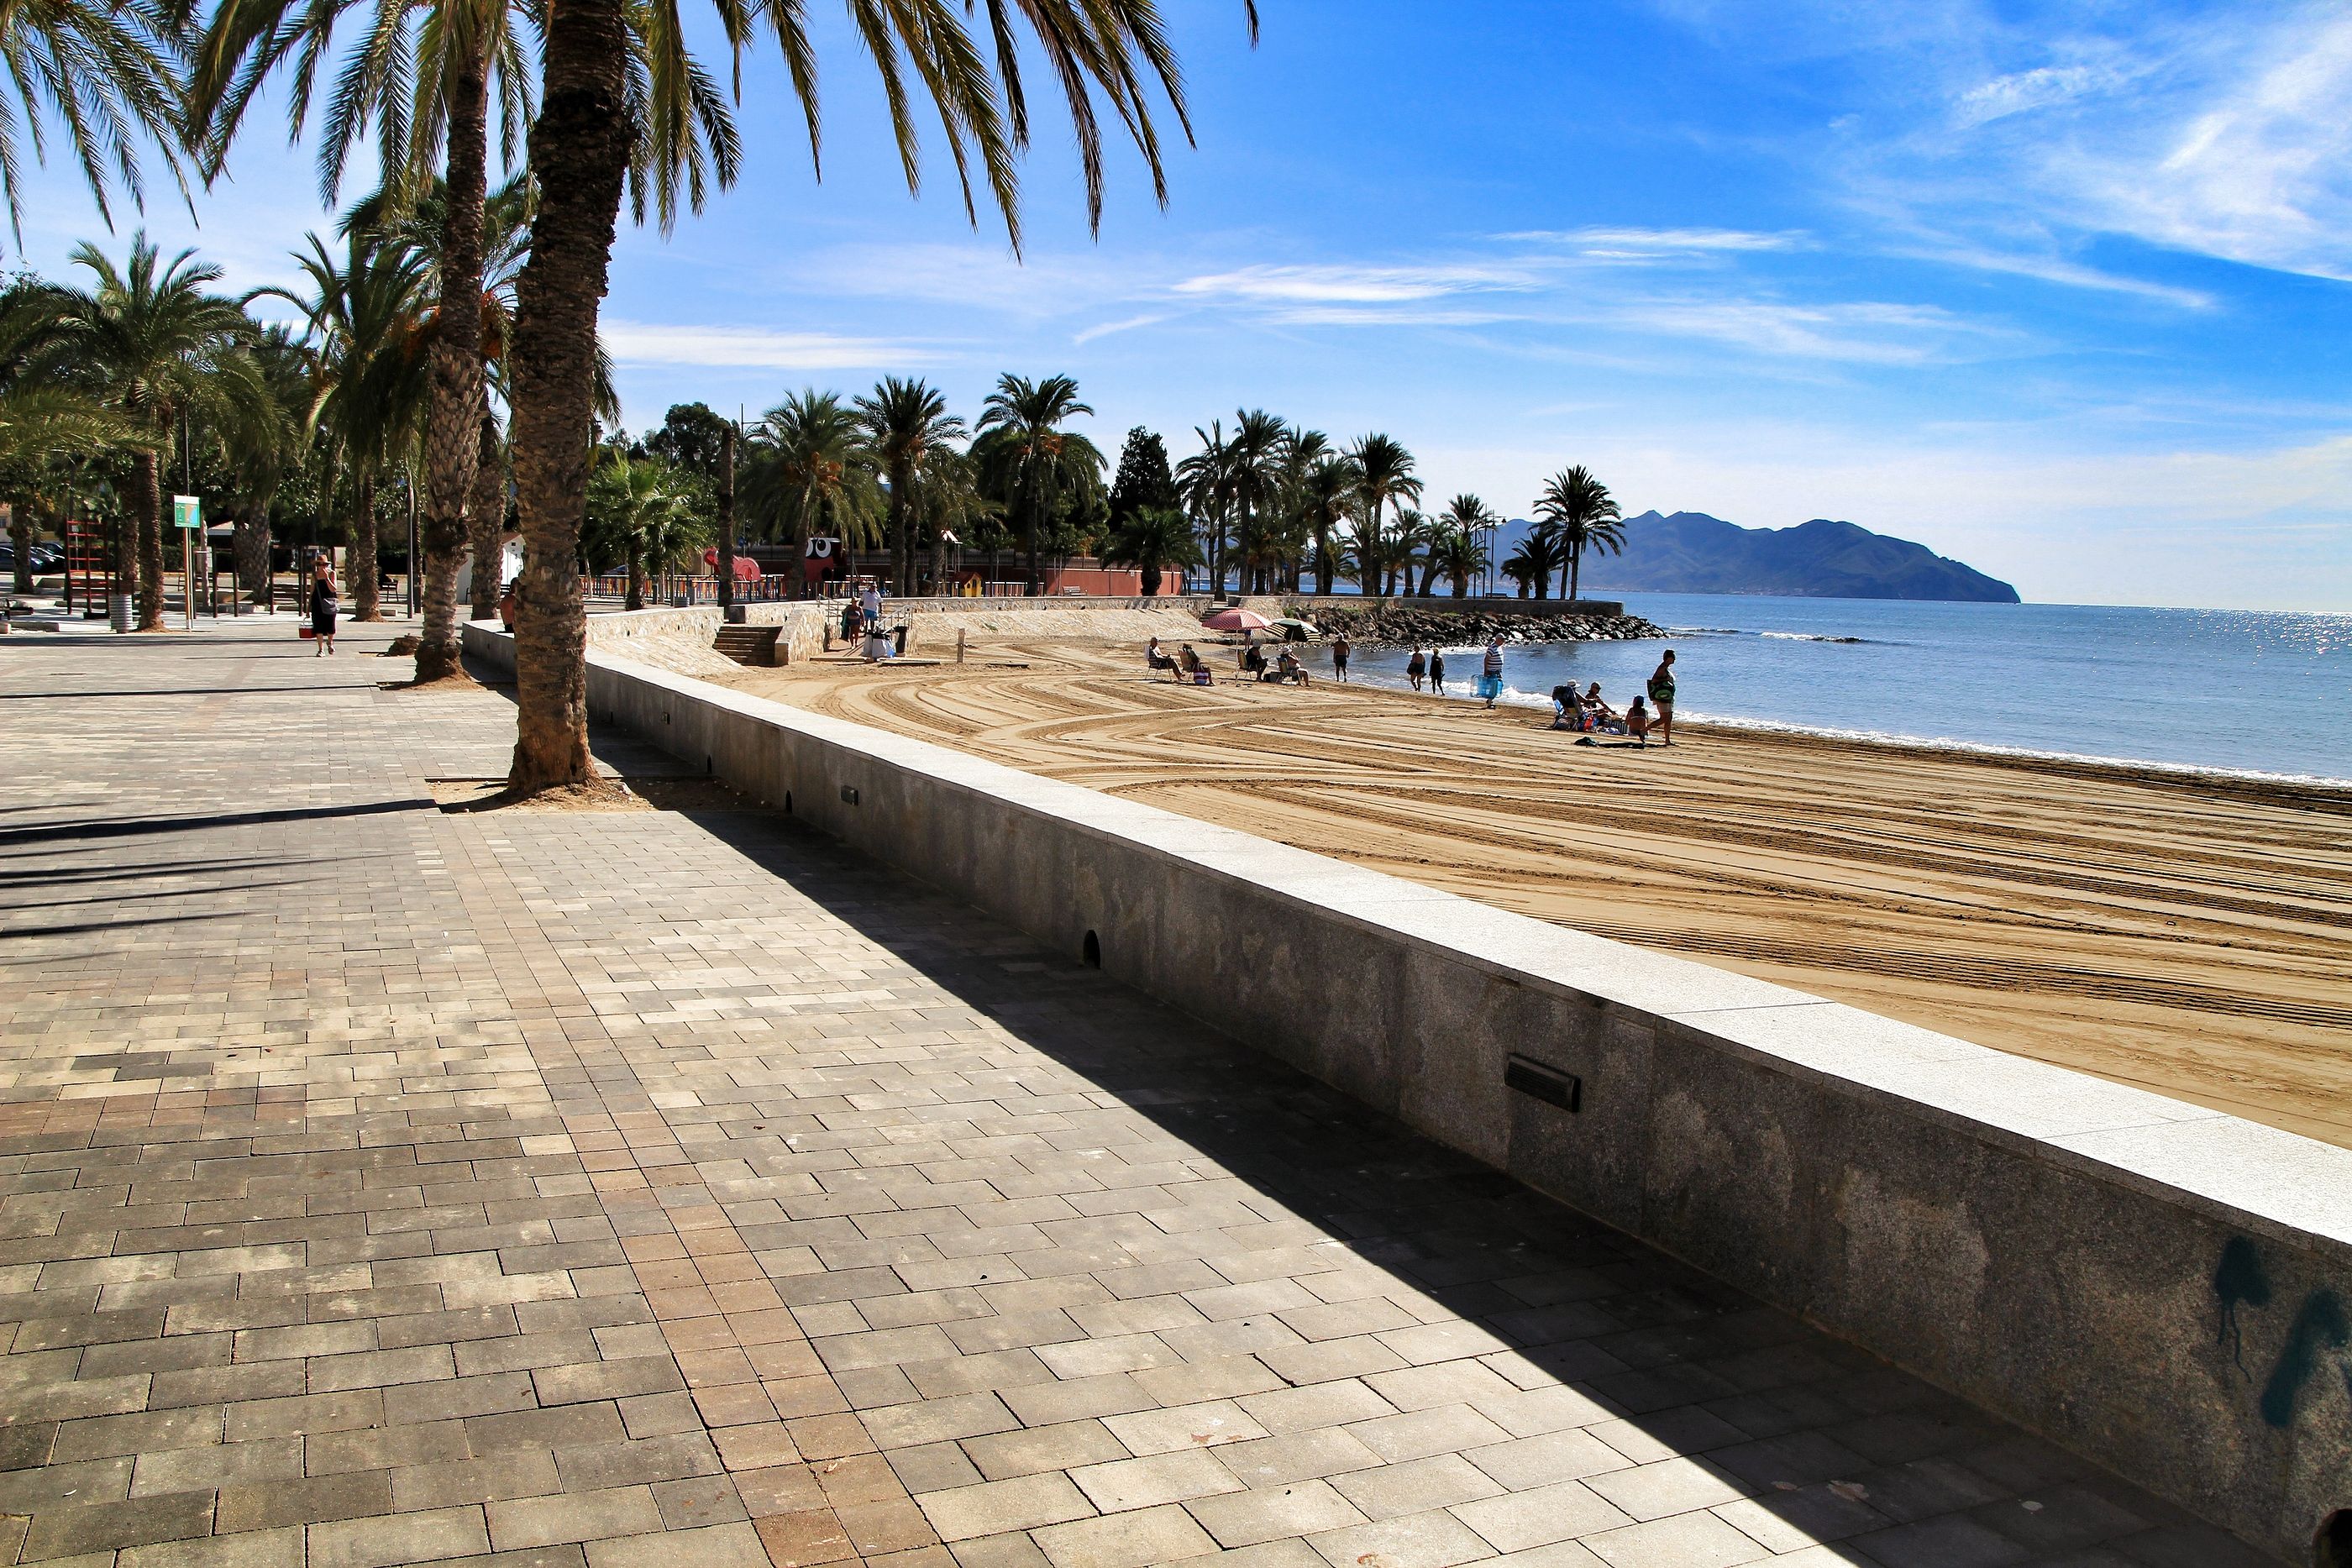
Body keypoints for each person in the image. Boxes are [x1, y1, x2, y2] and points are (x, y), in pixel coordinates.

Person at [1646, 649, 1677, 747]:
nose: (1674, 660)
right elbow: (1654, 680)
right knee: (1664, 718)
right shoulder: (1662, 668)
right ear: (1668, 658)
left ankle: (1667, 740)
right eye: (1673, 658)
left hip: (1668, 697)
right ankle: (1644, 730)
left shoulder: (1666, 668)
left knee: (1669, 719)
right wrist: (1665, 679)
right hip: (1662, 697)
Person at [310, 558, 339, 655]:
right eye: (320, 564)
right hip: (317, 602)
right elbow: (312, 590)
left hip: (329, 601)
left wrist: (326, 578)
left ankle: (330, 643)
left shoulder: (332, 574)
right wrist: (308, 606)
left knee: (330, 624)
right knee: (318, 625)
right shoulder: (314, 575)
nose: (322, 567)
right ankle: (321, 649)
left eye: (324, 565)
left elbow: (333, 589)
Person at [1478, 638, 1504, 708]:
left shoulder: (1499, 647)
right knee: (1494, 687)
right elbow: (1486, 659)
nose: (1503, 641)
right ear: (1497, 640)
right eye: (1502, 640)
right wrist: (1485, 671)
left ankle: (1490, 700)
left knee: (1498, 686)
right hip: (1492, 671)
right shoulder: (1492, 648)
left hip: (1498, 671)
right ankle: (1490, 702)